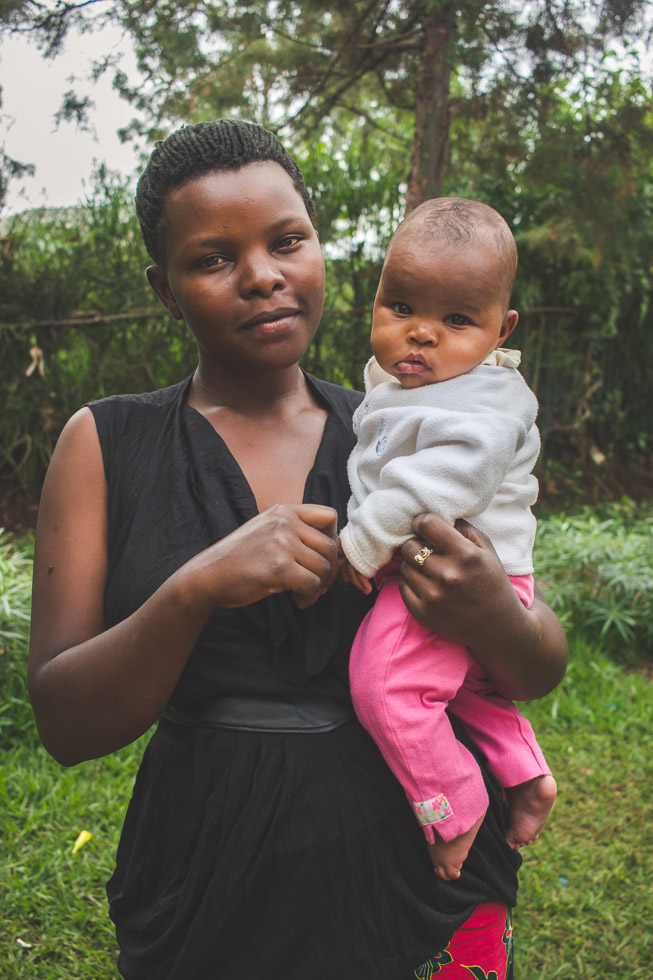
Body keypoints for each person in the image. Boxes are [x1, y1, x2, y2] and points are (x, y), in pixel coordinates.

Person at [27, 120, 567, 980]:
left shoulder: (406, 436)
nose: (263, 276)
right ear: (163, 288)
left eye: (288, 241)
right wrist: (194, 588)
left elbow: (538, 664)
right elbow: (62, 723)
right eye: (211, 258)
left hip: (419, 878)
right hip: (207, 880)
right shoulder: (106, 445)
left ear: (318, 249)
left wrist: (492, 612)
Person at [337, 198, 557, 883]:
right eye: (399, 307)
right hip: (439, 569)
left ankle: (452, 808)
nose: (421, 335)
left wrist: (361, 543)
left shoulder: (489, 399)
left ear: (501, 330)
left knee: (383, 686)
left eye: (456, 320)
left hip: (463, 573)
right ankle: (524, 771)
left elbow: (439, 481)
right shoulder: (405, 383)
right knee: (456, 690)